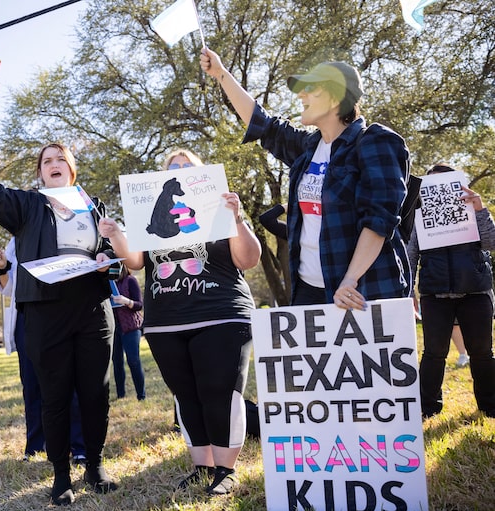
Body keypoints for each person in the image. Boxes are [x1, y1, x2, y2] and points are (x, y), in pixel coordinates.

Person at [0, 106, 118, 506]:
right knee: (53, 394)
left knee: (95, 392)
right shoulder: (27, 205)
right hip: (44, 311)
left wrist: (108, 255)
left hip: (92, 307)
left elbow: (108, 250)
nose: (53, 164)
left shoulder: (94, 206)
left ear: (72, 170)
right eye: (46, 160)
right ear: (41, 172)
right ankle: (60, 475)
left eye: (61, 159)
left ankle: (95, 466)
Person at [99, 149, 261, 495]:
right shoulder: (151, 212)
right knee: (186, 395)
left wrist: (236, 218)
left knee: (220, 391)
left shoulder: (222, 208)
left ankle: (226, 470)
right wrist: (115, 234)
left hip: (223, 314)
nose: (181, 171)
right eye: (174, 168)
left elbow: (248, 259)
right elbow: (137, 262)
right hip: (165, 322)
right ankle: (202, 467)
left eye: (189, 166)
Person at [200, 48, 411, 308]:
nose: (301, 95)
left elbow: (379, 220)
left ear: (335, 98)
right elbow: (263, 124)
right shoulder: (308, 148)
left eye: (310, 88)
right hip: (308, 291)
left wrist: (349, 280)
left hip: (360, 290)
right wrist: (221, 73)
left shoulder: (374, 141)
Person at [406, 163, 495, 418]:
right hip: (435, 294)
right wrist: (409, 290)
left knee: (482, 352)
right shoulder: (419, 215)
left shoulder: (473, 209)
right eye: (430, 184)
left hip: (475, 291)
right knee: (434, 353)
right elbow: (411, 254)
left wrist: (480, 210)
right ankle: (427, 409)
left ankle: (490, 407)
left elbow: (491, 242)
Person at [0, 239, 86, 463]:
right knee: (32, 385)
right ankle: (36, 445)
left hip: (61, 312)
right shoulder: (15, 241)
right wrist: (3, 267)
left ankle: (78, 445)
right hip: (26, 317)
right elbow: (8, 289)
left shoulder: (62, 230)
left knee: (69, 380)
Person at [110, 265, 146, 401]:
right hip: (114, 328)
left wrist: (126, 302)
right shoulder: (107, 283)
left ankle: (141, 396)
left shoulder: (130, 280)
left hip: (131, 327)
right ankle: (121, 395)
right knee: (117, 362)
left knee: (133, 361)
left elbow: (139, 305)